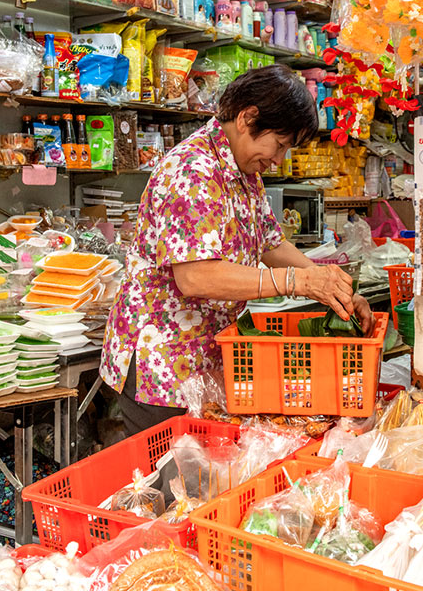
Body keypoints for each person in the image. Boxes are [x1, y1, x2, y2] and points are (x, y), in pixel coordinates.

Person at [100, 65, 374, 434]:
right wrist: (298, 282)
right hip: (162, 360)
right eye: (279, 144)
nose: (279, 159)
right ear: (248, 118)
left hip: (207, 354)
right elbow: (196, 276)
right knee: (172, 481)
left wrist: (332, 285)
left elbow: (270, 241)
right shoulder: (193, 170)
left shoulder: (245, 173)